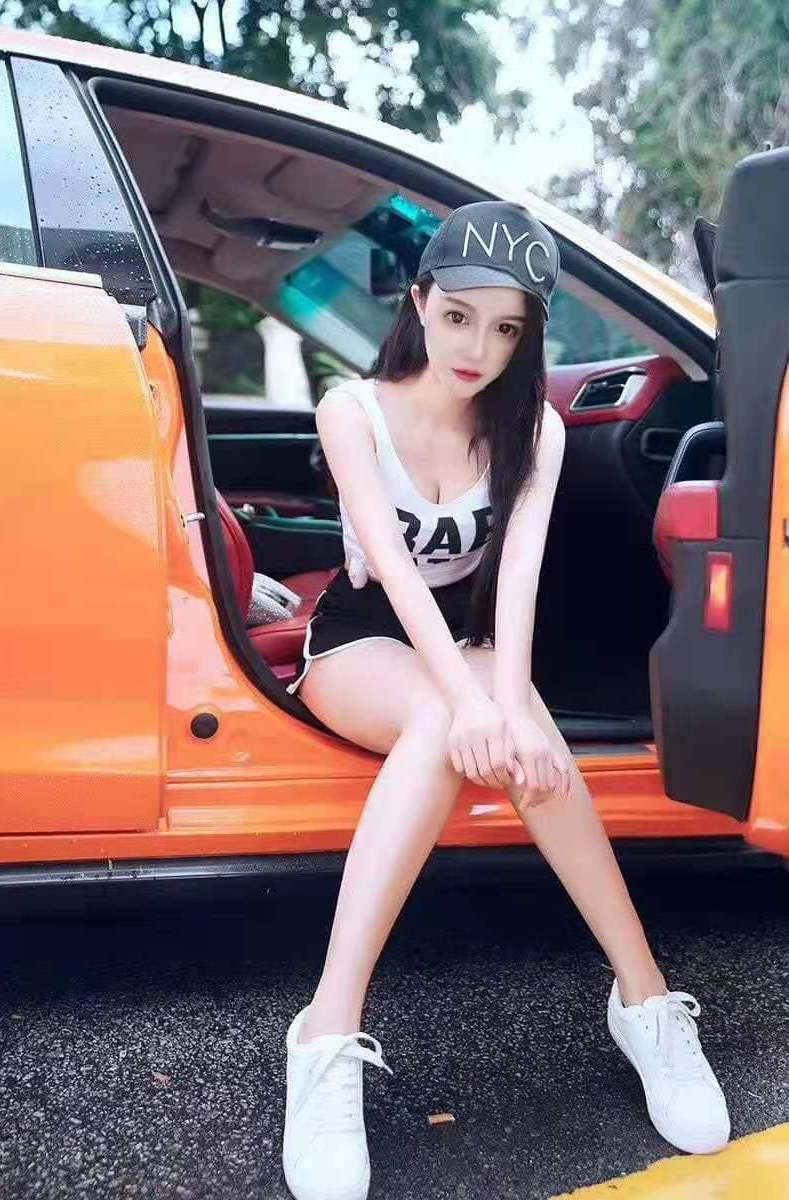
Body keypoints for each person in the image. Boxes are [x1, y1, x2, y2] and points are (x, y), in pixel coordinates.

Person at [281, 200, 730, 1200]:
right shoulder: (352, 412)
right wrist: (473, 703)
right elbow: (396, 573)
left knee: (532, 745)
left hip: (473, 641)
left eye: (504, 329)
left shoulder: (536, 429)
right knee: (448, 721)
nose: (476, 349)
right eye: (457, 317)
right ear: (419, 303)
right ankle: (324, 1032)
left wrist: (513, 703)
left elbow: (514, 583)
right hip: (360, 640)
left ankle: (646, 1003)